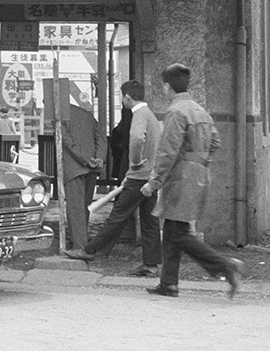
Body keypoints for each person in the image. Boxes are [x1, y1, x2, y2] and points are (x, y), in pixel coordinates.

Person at [141, 64, 245, 298]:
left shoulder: (175, 112)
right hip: (199, 174)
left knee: (177, 233)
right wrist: (199, 160)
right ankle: (168, 284)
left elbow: (167, 151)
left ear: (167, 86)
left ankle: (225, 265)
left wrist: (154, 182)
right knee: (173, 229)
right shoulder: (200, 111)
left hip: (181, 177)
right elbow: (215, 142)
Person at [64, 80, 162, 275]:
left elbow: (137, 138)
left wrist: (134, 164)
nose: (121, 99)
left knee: (116, 218)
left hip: (138, 177)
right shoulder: (151, 115)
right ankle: (151, 264)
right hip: (149, 176)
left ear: (127, 97)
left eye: (121, 96)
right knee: (149, 221)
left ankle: (89, 250)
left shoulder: (139, 115)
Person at [61, 92, 107, 251]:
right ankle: (80, 239)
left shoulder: (60, 118)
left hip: (75, 168)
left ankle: (80, 247)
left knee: (75, 210)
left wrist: (85, 159)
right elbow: (101, 136)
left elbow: (67, 142)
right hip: (92, 169)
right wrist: (99, 158)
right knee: (84, 206)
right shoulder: (86, 114)